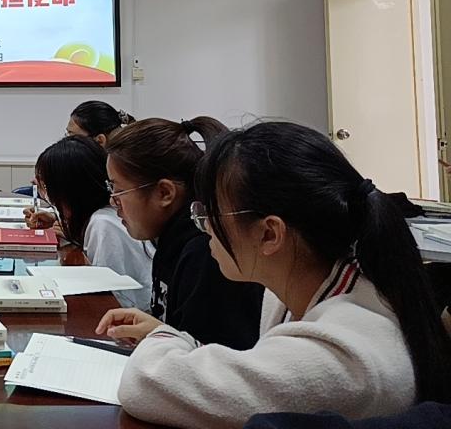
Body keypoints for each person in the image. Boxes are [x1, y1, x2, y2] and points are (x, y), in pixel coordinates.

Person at [99, 122, 451, 429]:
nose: (203, 227)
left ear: (270, 234)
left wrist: (164, 338)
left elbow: (145, 384)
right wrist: (172, 337)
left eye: (211, 212)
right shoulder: (317, 285)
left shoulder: (341, 356)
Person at [100, 117, 263, 349]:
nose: (113, 201)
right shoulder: (170, 239)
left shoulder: (205, 254)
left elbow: (211, 357)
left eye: (118, 190)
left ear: (165, 193)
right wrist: (155, 331)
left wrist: (162, 338)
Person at [32, 136, 153, 309]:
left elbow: (112, 296)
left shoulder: (102, 225)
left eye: (47, 187)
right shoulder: (102, 216)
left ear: (69, 191)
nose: (47, 194)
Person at [23, 99, 134, 205]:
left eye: (72, 136)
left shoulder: (115, 174)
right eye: (67, 134)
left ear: (100, 140)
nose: (66, 142)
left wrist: (48, 195)